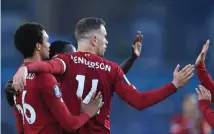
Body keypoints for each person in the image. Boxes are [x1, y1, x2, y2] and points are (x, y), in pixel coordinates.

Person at [12, 17, 195, 134]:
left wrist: (25, 68)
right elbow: (140, 101)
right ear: (94, 39)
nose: (106, 41)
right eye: (105, 36)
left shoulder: (64, 61)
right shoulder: (111, 70)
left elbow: (46, 67)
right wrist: (173, 86)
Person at [12, 22, 103, 134]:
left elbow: (21, 129)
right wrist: (88, 113)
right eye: (47, 41)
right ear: (38, 46)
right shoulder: (46, 79)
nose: (49, 45)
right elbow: (69, 124)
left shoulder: (16, 81)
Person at [5, 39, 140, 107]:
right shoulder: (38, 79)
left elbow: (111, 75)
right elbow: (18, 102)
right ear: (57, 57)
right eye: (71, 55)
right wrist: (9, 92)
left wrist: (132, 58)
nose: (76, 59)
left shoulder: (79, 78)